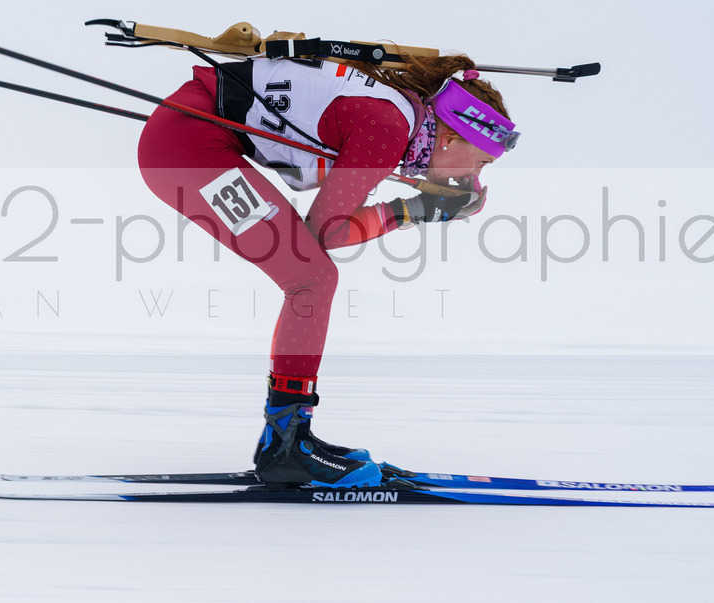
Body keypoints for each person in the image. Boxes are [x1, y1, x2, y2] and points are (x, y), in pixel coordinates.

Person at [137, 53, 516, 489]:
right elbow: (328, 233)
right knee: (312, 277)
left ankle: (285, 439)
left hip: (191, 137)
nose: (474, 177)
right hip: (187, 148)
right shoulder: (389, 128)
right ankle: (286, 446)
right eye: (481, 163)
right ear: (450, 138)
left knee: (310, 274)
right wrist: (416, 210)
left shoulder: (397, 117)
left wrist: (420, 204)